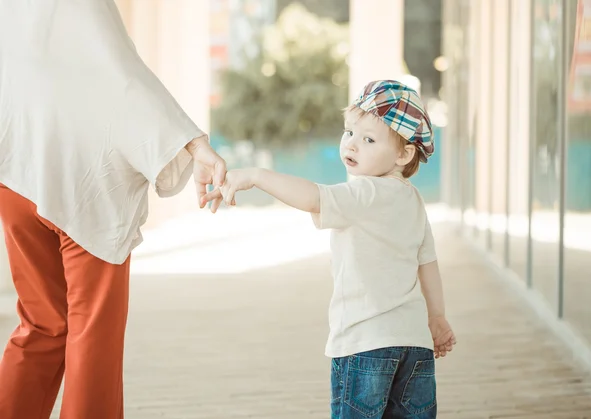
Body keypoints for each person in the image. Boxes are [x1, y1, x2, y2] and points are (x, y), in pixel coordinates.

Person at [0, 1, 225, 418]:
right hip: (82, 184)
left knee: (41, 324)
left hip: (16, 174)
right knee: (91, 332)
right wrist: (194, 145)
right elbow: (122, 77)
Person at [204, 80, 457, 418]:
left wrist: (255, 176)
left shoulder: (364, 193)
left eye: (368, 139)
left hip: (365, 344)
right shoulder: (412, 200)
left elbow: (311, 196)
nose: (352, 144)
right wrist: (437, 317)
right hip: (415, 344)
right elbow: (428, 263)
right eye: (349, 132)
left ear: (404, 153)